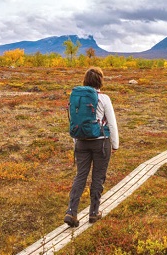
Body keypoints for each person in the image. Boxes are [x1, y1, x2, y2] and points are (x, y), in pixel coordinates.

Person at [64, 67, 119, 227]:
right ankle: (94, 213)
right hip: (101, 142)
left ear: (85, 80)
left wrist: (77, 141)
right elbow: (112, 123)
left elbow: (75, 120)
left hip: (80, 141)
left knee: (80, 176)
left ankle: (71, 212)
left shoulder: (78, 97)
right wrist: (114, 144)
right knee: (98, 177)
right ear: (100, 81)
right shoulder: (104, 98)